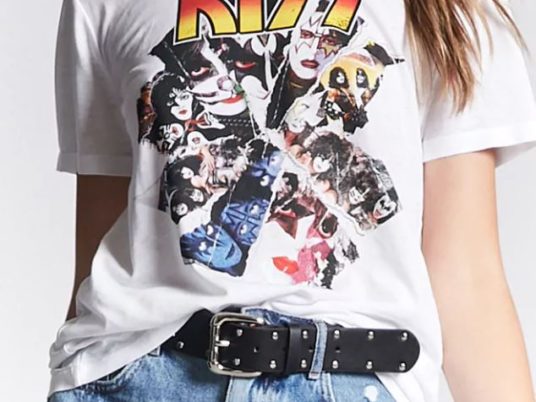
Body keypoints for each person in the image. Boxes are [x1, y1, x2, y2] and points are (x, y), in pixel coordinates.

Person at [47, 0, 536, 401]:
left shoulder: (452, 10)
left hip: (350, 374)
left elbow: (465, 275)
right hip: (142, 380)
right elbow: (102, 254)